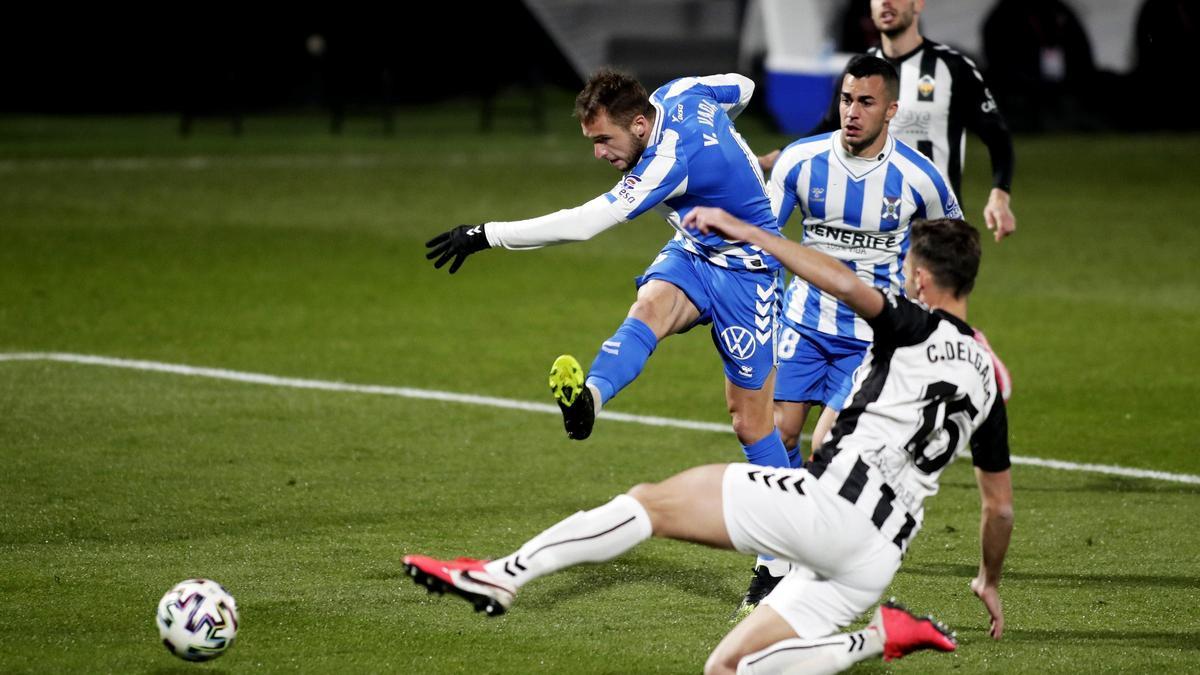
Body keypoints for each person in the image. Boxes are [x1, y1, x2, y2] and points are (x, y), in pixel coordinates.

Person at [404, 213, 1013, 675]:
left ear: (920, 277)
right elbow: (999, 508)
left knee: (652, 503)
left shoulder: (911, 322)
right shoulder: (989, 378)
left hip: (827, 508)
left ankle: (501, 576)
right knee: (726, 669)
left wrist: (745, 230)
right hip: (879, 557)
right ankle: (879, 637)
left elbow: (843, 283)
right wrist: (987, 579)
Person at [425, 70, 796, 585]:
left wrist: (486, 234)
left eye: (604, 140)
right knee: (647, 308)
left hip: (749, 273)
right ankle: (589, 401)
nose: (599, 153)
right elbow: (745, 85)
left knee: (750, 424)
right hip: (694, 249)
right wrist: (730, 149)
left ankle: (785, 554)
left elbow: (583, 224)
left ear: (640, 125)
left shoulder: (668, 161)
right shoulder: (683, 93)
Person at [738, 55, 964, 611]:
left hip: (871, 340)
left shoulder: (919, 177)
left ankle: (816, 568)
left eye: (866, 102)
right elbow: (765, 240)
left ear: (892, 109)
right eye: (845, 99)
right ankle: (775, 563)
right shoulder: (800, 161)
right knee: (777, 437)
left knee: (827, 450)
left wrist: (945, 329)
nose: (852, 112)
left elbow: (952, 250)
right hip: (802, 326)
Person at [764, 0, 1016, 242]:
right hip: (874, 225)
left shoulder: (952, 67)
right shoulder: (858, 70)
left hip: (935, 226)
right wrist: (785, 154)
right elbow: (830, 127)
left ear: (918, 4)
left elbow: (997, 135)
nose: (885, 2)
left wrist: (1000, 194)